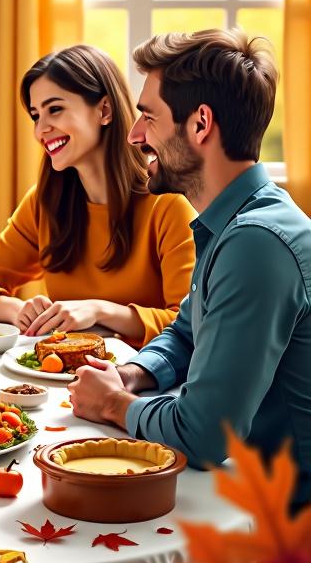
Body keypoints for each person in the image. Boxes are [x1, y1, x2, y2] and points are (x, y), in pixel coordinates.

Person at [68, 29, 311, 509]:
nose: (135, 135)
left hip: (284, 530)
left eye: (148, 116)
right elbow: (186, 332)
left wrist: (113, 405)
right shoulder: (235, 220)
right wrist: (132, 373)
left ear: (201, 124)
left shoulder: (255, 244)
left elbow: (202, 436)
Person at [0, 46, 196, 346]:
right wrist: (17, 310)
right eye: (35, 115)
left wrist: (100, 310)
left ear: (104, 110)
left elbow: (189, 323)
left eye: (55, 109)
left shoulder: (168, 205)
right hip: (66, 376)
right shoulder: (45, 203)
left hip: (145, 381)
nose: (41, 129)